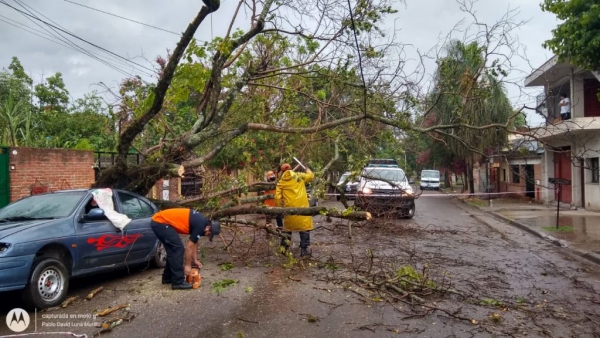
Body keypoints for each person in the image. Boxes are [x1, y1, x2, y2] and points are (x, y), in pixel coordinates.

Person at [150, 208, 221, 290]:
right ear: (208, 228)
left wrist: (195, 260)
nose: (207, 236)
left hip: (158, 222)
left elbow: (195, 242)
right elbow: (189, 247)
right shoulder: (200, 225)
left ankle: (167, 278)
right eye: (209, 234)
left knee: (172, 251)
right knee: (178, 248)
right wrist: (187, 265)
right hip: (160, 222)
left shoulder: (202, 223)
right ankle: (178, 282)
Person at [275, 163, 315, 257]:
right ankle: (304, 251)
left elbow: (277, 197)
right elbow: (311, 176)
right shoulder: (299, 176)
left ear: (282, 171)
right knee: (304, 228)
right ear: (291, 169)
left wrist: (280, 208)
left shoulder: (281, 182)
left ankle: (284, 249)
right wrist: (307, 168)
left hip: (289, 210)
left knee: (287, 229)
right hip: (302, 209)